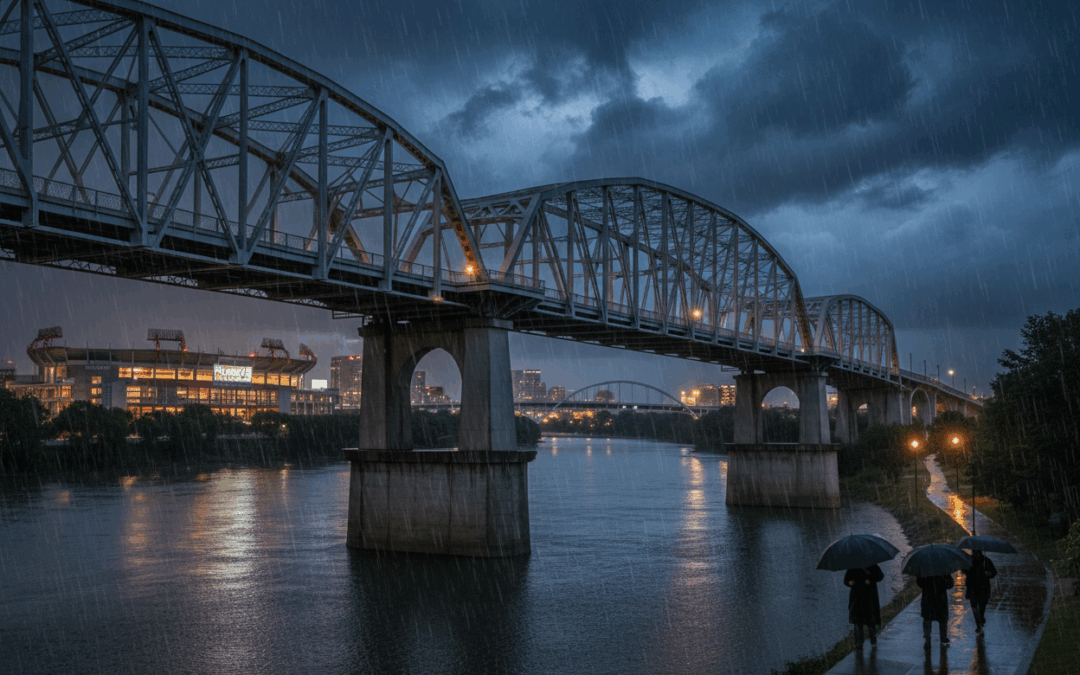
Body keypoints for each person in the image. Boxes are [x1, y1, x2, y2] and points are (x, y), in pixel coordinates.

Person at [844, 565, 884, 647]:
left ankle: (873, 640)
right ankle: (859, 643)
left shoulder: (872, 565)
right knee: (857, 621)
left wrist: (870, 576)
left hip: (869, 598)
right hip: (857, 598)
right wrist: (850, 583)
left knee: (870, 621)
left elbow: (880, 576)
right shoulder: (852, 567)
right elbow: (846, 580)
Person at [917, 574, 954, 647]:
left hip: (930, 598)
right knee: (936, 618)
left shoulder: (925, 570)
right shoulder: (943, 568)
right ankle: (939, 637)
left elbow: (920, 583)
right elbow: (950, 584)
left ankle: (929, 638)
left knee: (929, 618)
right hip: (938, 598)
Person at [965, 550, 998, 634]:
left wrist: (988, 574)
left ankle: (981, 618)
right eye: (974, 553)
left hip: (984, 589)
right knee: (974, 607)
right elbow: (965, 572)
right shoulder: (969, 561)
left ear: (980, 553)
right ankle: (978, 625)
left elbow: (994, 572)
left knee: (982, 607)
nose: (975, 554)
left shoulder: (986, 561)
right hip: (973, 588)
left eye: (977, 553)